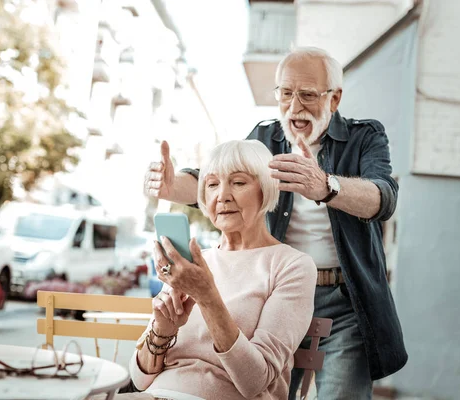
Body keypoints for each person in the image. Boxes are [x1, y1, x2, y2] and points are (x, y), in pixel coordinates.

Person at [144, 46, 408, 399]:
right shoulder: (266, 137)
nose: (294, 107)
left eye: (308, 95)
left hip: (344, 298)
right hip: (276, 294)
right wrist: (172, 186)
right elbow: (222, 180)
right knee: (266, 389)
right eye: (285, 93)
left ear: (334, 98)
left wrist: (326, 185)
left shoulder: (365, 137)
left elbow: (383, 198)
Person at [131, 140, 317, 400]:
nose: (223, 195)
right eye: (212, 184)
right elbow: (139, 379)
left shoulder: (292, 266)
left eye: (239, 182)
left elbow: (255, 381)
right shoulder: (192, 263)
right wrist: (162, 330)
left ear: (266, 189)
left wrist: (207, 297)